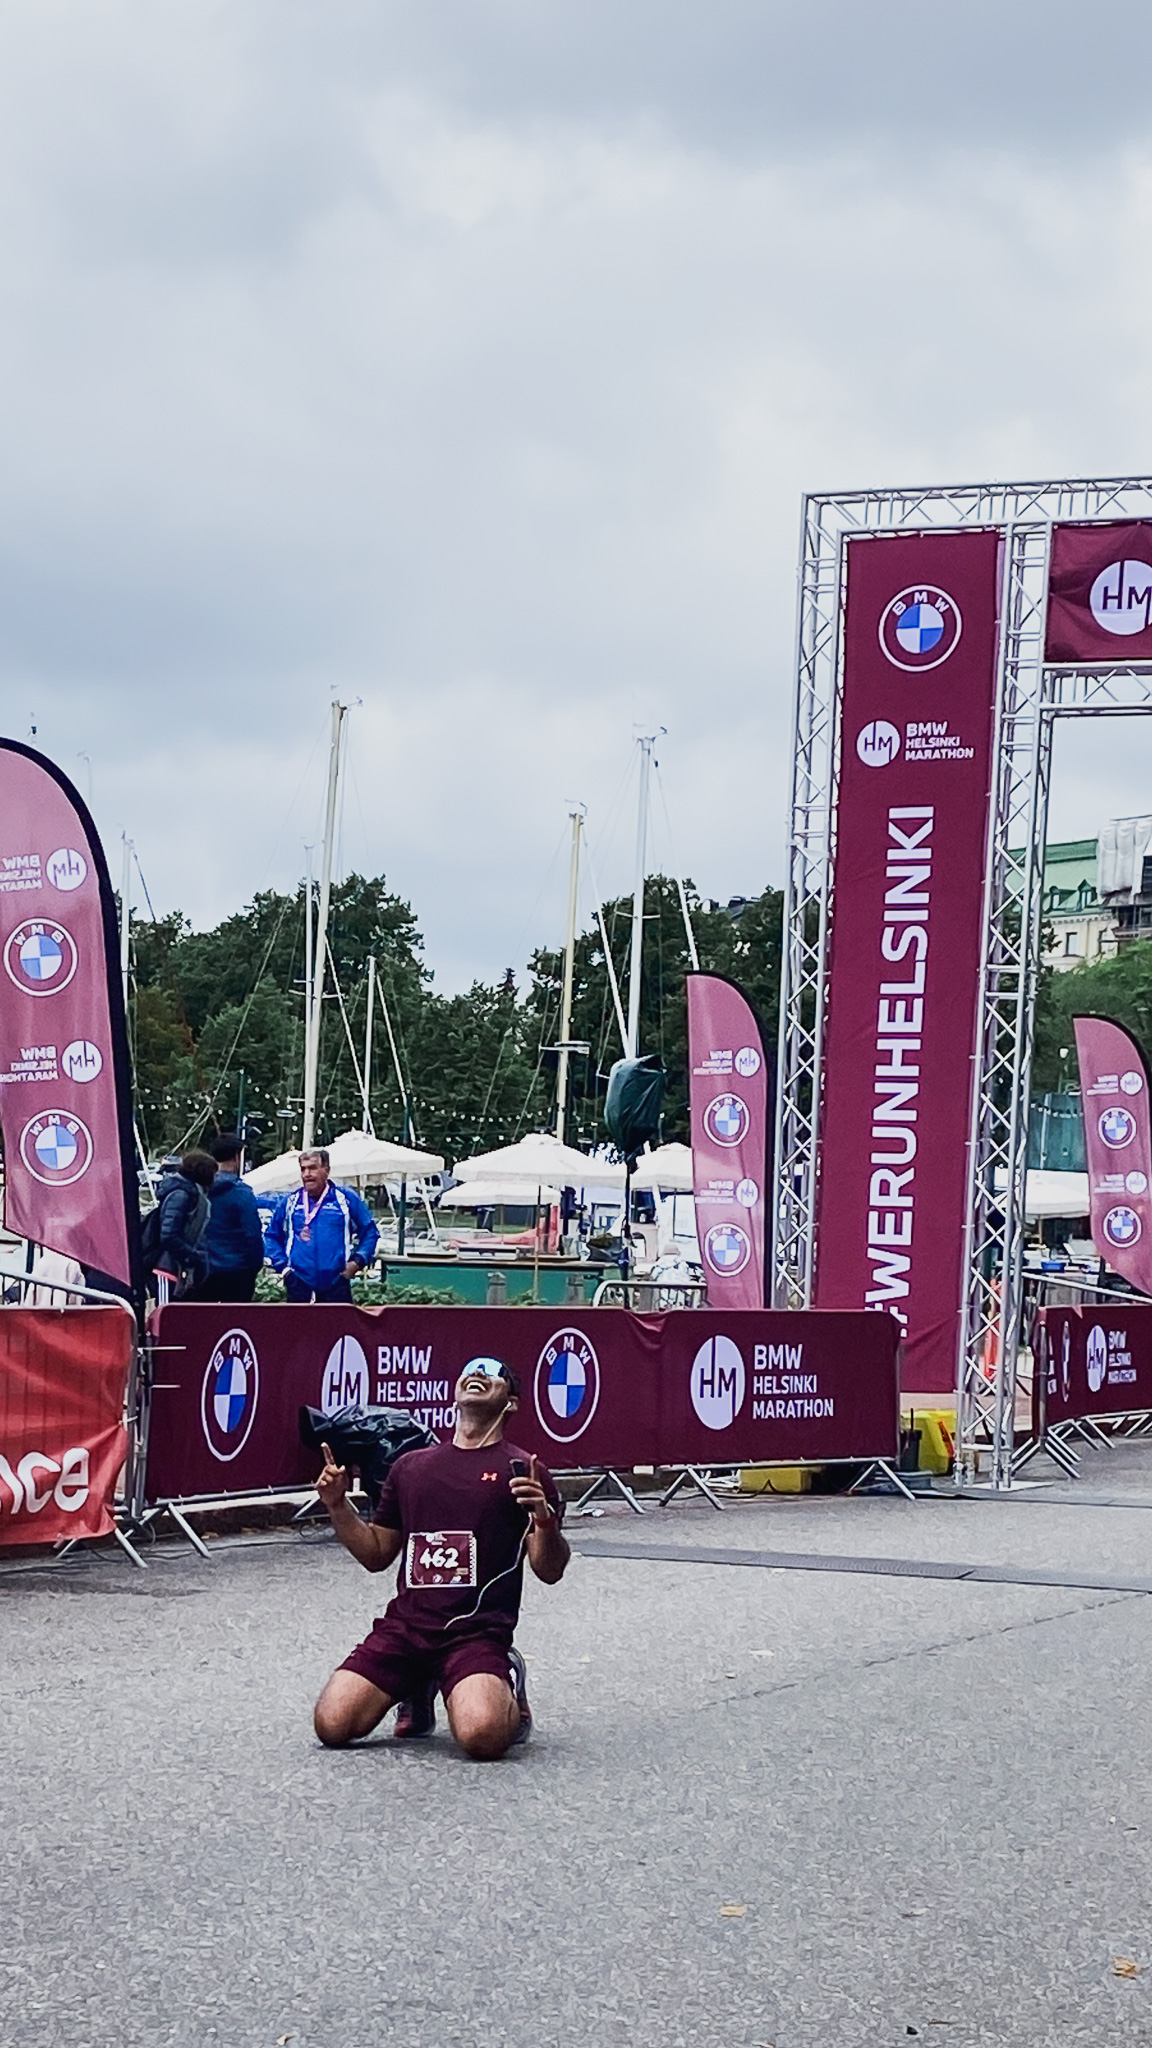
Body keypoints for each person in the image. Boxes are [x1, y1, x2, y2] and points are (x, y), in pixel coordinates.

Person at [313, 1358, 569, 1759]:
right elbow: (376, 1553)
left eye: (492, 1372)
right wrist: (337, 1506)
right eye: (470, 1368)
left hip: (476, 1634)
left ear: (512, 1403)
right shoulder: (411, 1467)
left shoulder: (524, 1471)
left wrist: (544, 1521)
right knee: (332, 1725)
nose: (478, 1374)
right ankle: (417, 1684)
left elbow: (549, 1571)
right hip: (406, 1629)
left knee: (482, 1738)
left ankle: (507, 1691)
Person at [264, 1147, 378, 1303]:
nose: (307, 1174)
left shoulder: (345, 1199)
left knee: (337, 1328)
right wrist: (284, 1270)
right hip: (298, 1283)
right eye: (303, 1169)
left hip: (337, 1283)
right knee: (299, 1327)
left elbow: (370, 1232)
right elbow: (271, 1236)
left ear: (327, 1170)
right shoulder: (291, 1201)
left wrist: (356, 1263)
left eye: (312, 1168)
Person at [189, 1133, 265, 1303]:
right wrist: (254, 1266)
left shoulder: (199, 1189)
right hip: (237, 1271)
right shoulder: (241, 1193)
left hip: (204, 1268)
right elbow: (252, 1233)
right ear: (237, 1157)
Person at [144, 1150, 217, 1305]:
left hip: (176, 1265)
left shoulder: (187, 1193)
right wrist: (193, 1256)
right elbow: (169, 1235)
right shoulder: (182, 1195)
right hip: (166, 1266)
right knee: (164, 1314)